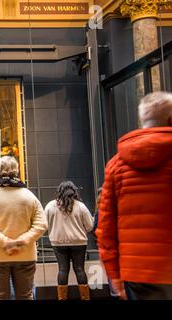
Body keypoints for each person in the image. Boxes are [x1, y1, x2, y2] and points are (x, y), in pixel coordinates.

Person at [96, 91, 172, 300]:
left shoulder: (116, 165)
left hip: (138, 272)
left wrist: (114, 275)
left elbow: (105, 228)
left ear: (141, 121)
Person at [0, 156, 47, 300]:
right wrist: (23, 240)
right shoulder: (29, 196)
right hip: (25, 255)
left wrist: (5, 241)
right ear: (17, 171)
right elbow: (42, 224)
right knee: (25, 296)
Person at [44, 181, 94, 300]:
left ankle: (62, 298)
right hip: (79, 243)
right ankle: (85, 298)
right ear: (74, 191)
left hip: (58, 243)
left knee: (62, 270)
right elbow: (90, 226)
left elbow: (44, 224)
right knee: (80, 269)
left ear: (59, 191)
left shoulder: (51, 206)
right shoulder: (81, 206)